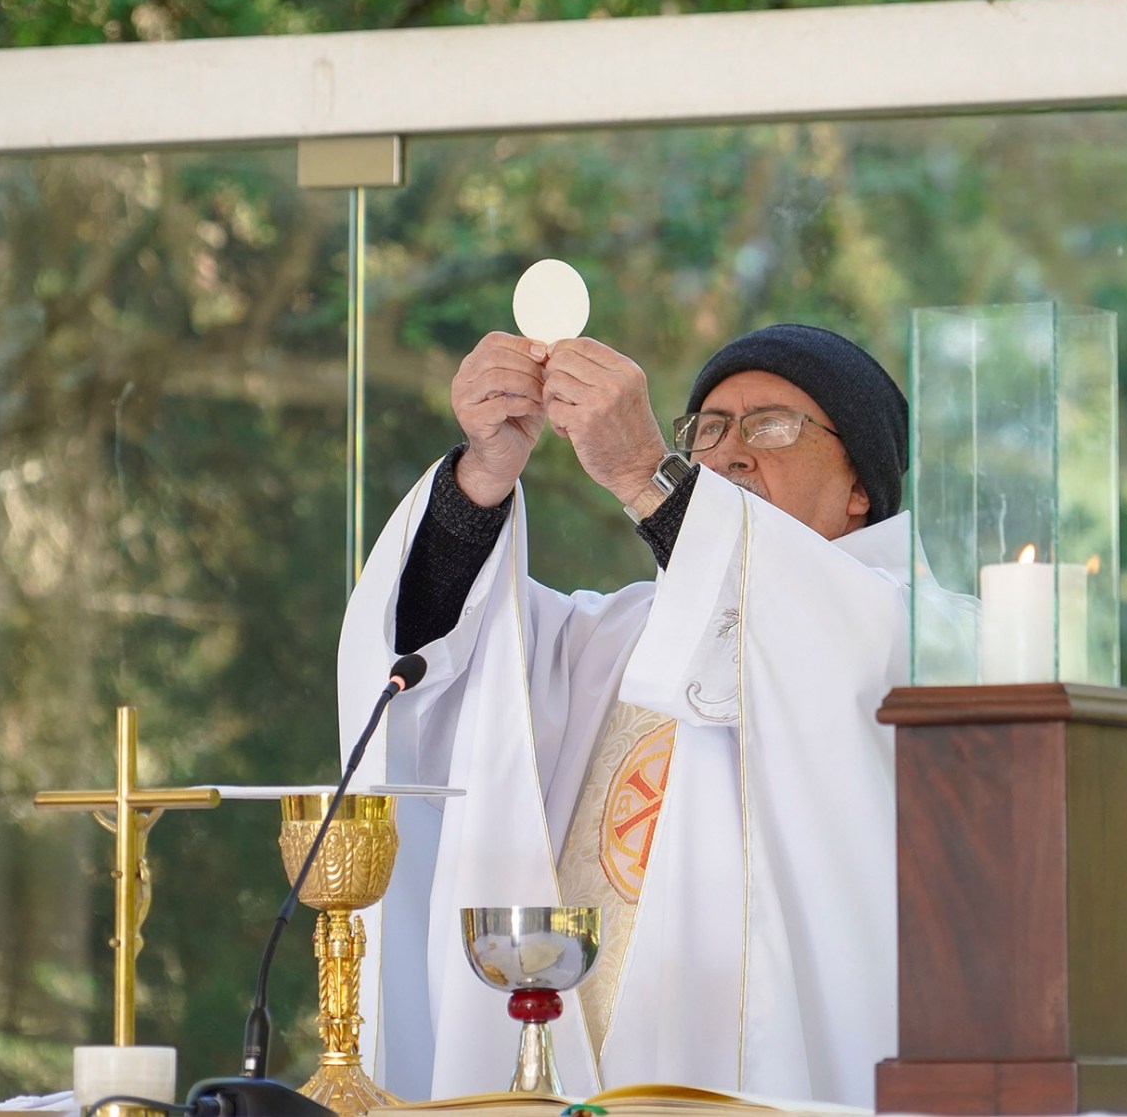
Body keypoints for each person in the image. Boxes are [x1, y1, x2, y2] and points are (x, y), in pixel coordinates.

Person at [336, 323, 967, 1107]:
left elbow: (807, 636)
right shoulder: (617, 636)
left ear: (860, 487)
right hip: (570, 1073)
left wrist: (644, 471)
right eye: (707, 428)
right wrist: (480, 483)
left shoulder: (923, 637)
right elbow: (448, 678)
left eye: (772, 425)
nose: (728, 452)